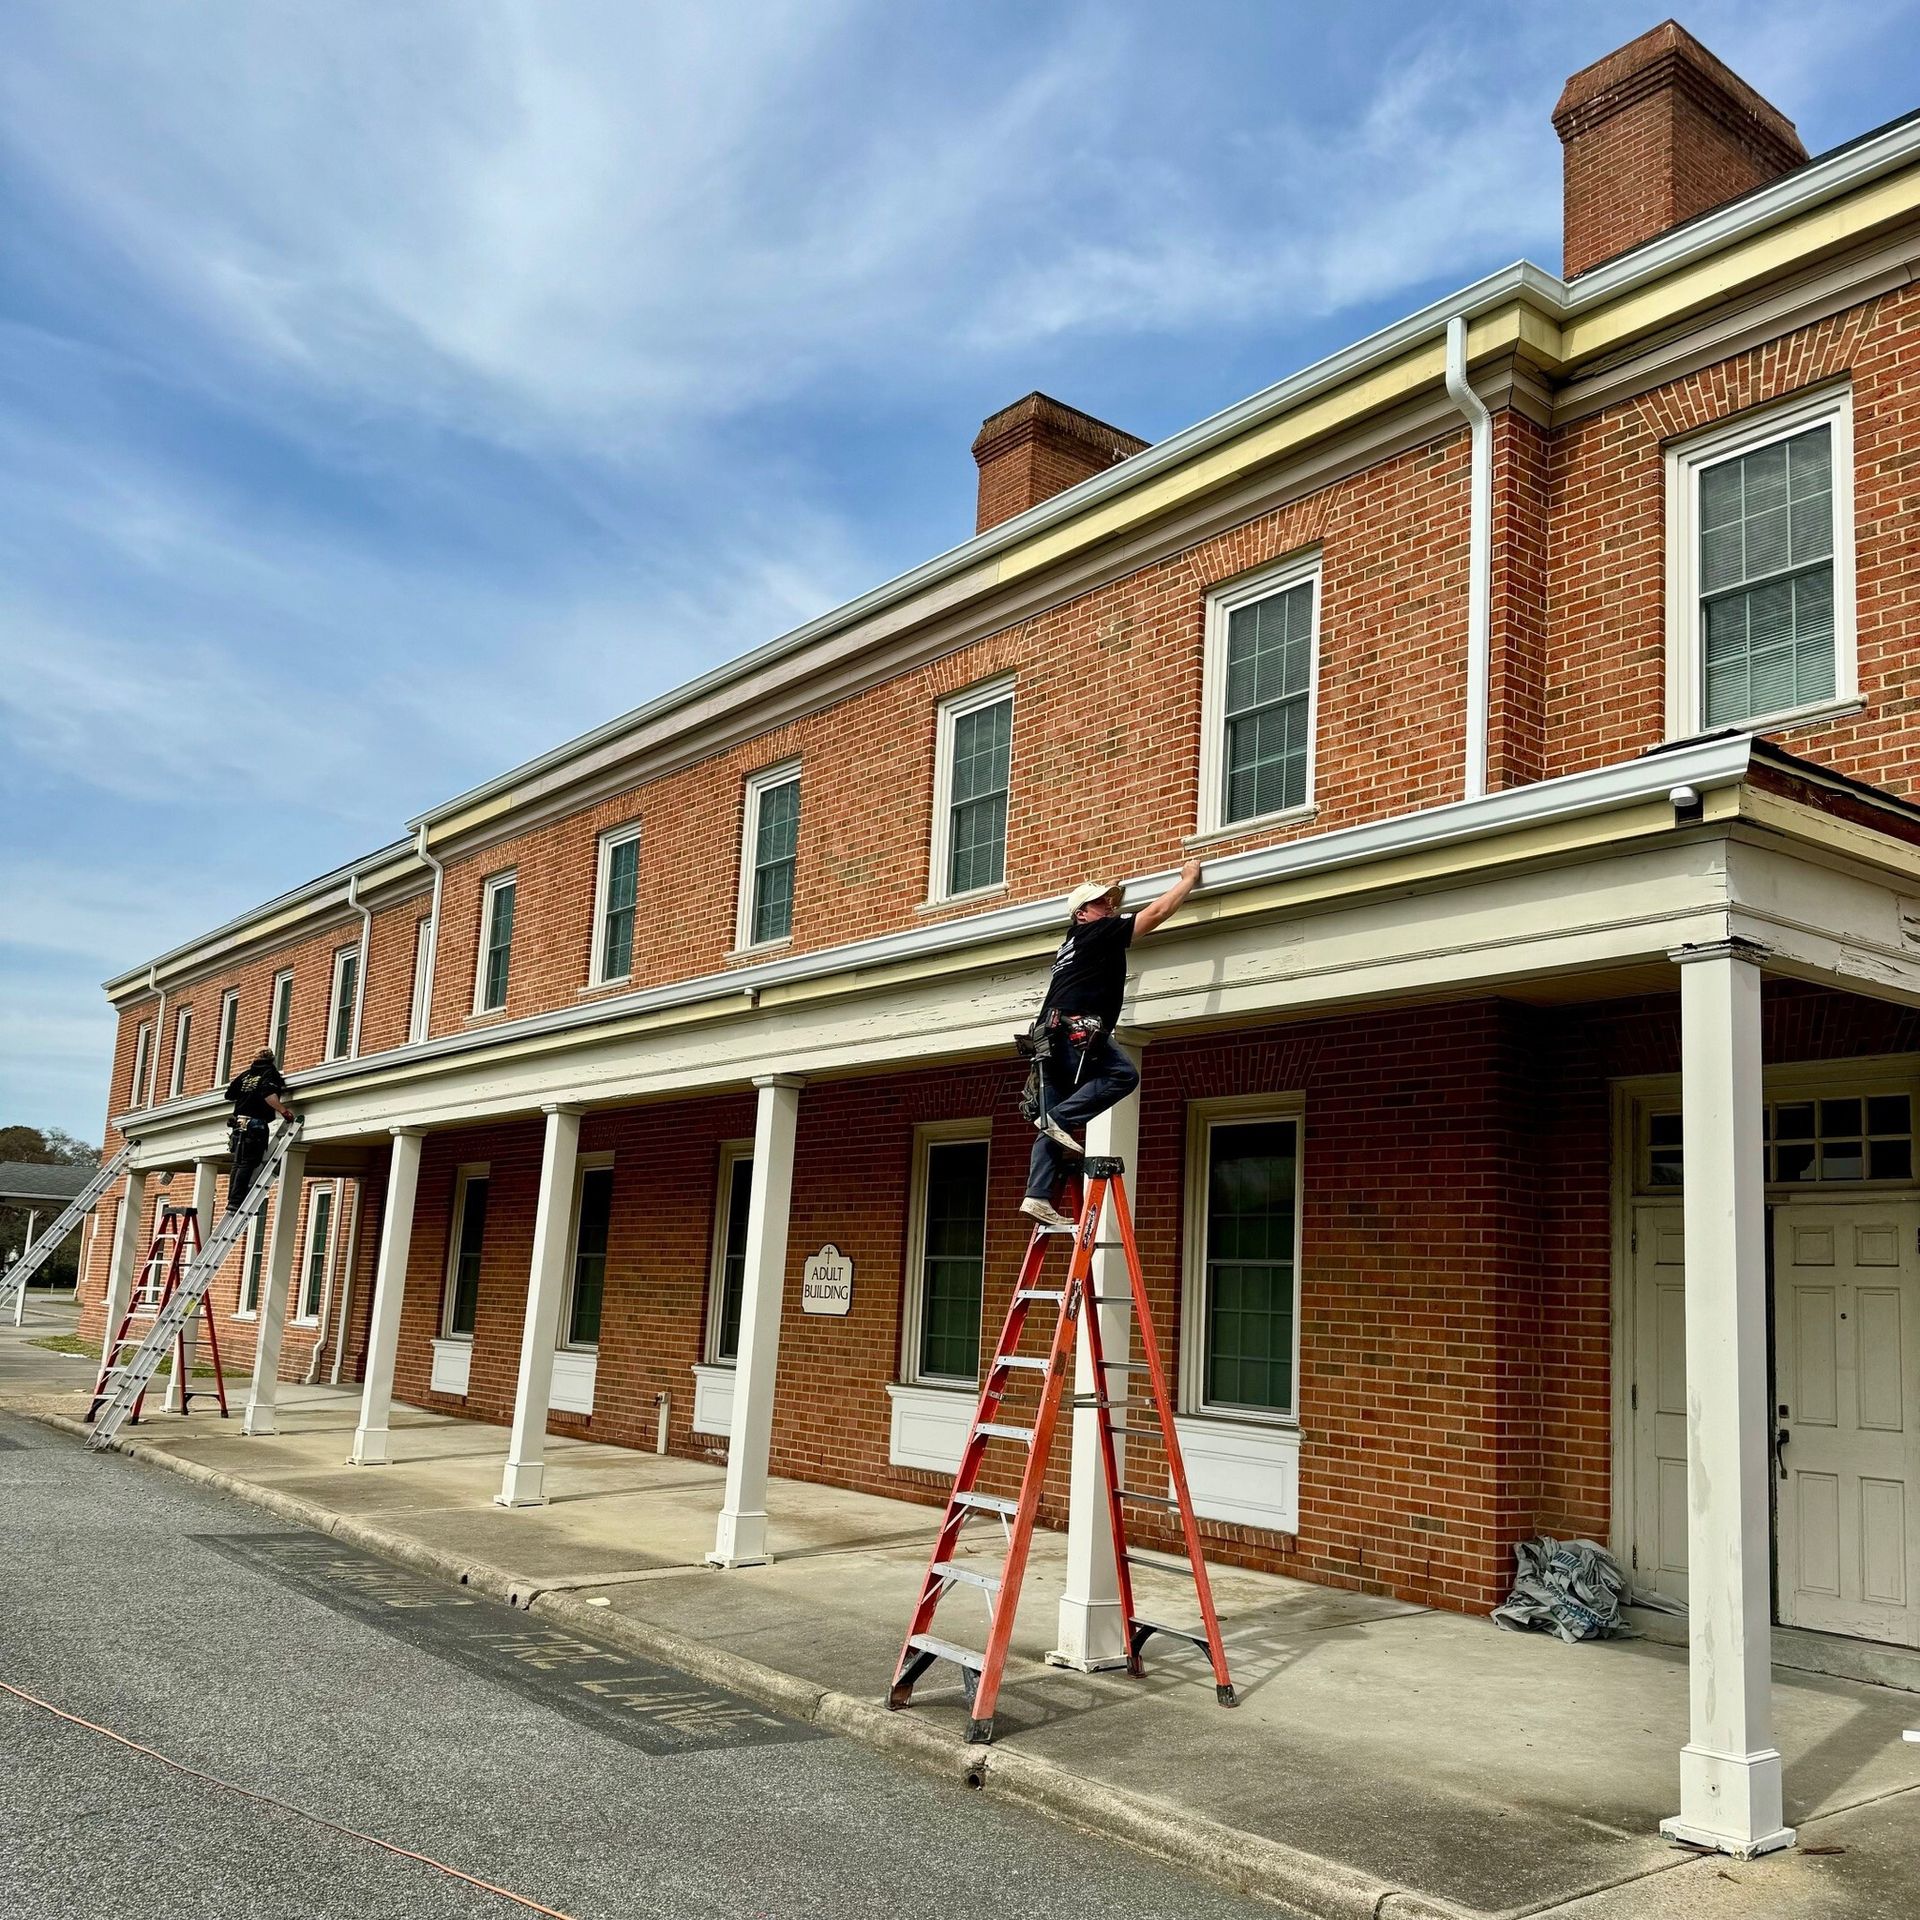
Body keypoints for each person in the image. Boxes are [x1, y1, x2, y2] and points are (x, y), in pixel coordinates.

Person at [1019, 858, 1202, 1230]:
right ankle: (1059, 1121)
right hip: (1074, 1033)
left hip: (1047, 1039)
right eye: (1102, 904)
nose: (1111, 908)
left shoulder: (1071, 944)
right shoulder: (1095, 932)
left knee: (1053, 1123)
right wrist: (1187, 880)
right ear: (1082, 914)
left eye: (1111, 902)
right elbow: (1155, 914)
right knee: (1122, 1076)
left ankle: (1037, 1196)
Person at [225, 1049, 297, 1214]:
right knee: (248, 1163)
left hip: (239, 1123)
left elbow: (230, 1094)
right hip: (255, 1124)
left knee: (238, 1163)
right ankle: (237, 1201)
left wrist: (247, 1095)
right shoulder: (269, 1073)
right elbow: (269, 1095)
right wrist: (284, 1112)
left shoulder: (246, 1074)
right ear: (271, 1060)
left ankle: (233, 1201)